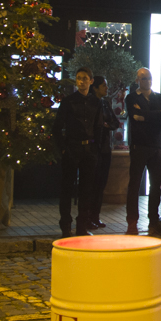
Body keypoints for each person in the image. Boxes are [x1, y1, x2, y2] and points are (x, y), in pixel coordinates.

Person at [51, 67, 100, 237]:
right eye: (79, 78)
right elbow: (57, 127)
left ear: (91, 81)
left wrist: (96, 149)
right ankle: (66, 226)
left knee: (86, 189)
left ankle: (81, 226)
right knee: (67, 188)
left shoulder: (96, 102)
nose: (81, 81)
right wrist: (64, 148)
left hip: (89, 149)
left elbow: (98, 127)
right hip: (72, 147)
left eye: (85, 78)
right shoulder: (68, 101)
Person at [124, 67, 161, 236]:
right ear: (137, 80)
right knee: (135, 184)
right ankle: (132, 221)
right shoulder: (131, 98)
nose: (147, 81)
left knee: (155, 186)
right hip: (139, 146)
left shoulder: (160, 97)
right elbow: (134, 116)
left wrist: (145, 116)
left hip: (156, 146)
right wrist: (158, 114)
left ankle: (154, 220)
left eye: (149, 78)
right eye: (144, 78)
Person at [85, 76, 120, 229]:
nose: (106, 88)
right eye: (104, 85)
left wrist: (106, 125)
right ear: (95, 88)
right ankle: (87, 217)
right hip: (93, 148)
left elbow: (115, 122)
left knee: (101, 184)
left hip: (105, 148)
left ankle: (95, 216)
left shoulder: (105, 103)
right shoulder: (89, 103)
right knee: (91, 184)